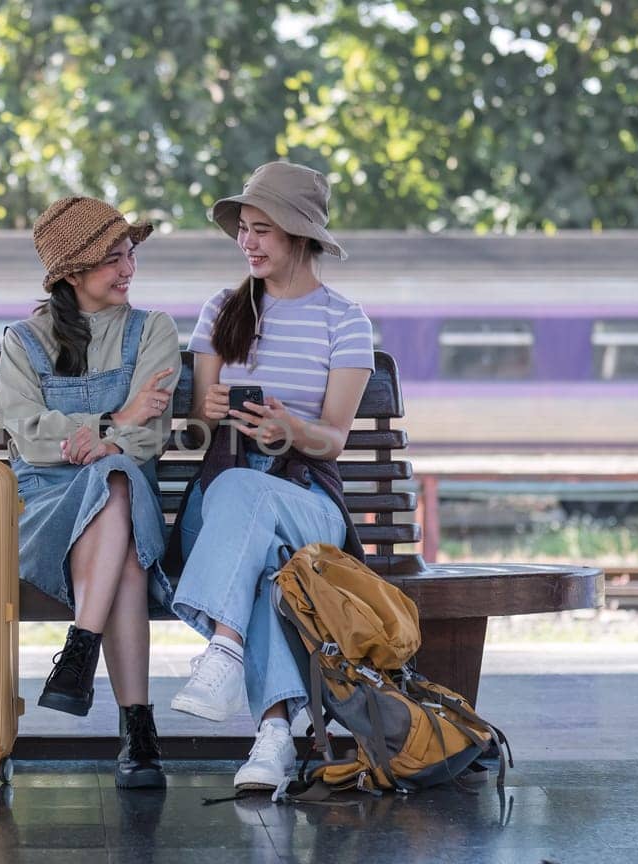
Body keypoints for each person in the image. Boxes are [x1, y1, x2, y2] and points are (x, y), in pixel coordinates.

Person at [167, 162, 375, 791]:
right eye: (244, 230)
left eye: (263, 230)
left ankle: (225, 654)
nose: (247, 242)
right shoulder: (222, 311)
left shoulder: (346, 321)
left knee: (253, 514)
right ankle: (275, 737)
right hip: (224, 493)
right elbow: (199, 433)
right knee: (250, 532)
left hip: (306, 497)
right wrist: (204, 414)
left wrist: (292, 430)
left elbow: (333, 439)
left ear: (300, 236)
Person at [0, 195, 181, 789]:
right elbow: (26, 435)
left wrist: (102, 438)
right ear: (72, 273)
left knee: (118, 479)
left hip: (126, 492)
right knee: (123, 553)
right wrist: (110, 424)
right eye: (112, 259)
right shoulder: (23, 341)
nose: (129, 269)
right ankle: (138, 733)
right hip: (46, 505)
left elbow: (147, 435)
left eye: (130, 254)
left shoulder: (153, 330)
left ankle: (80, 650)